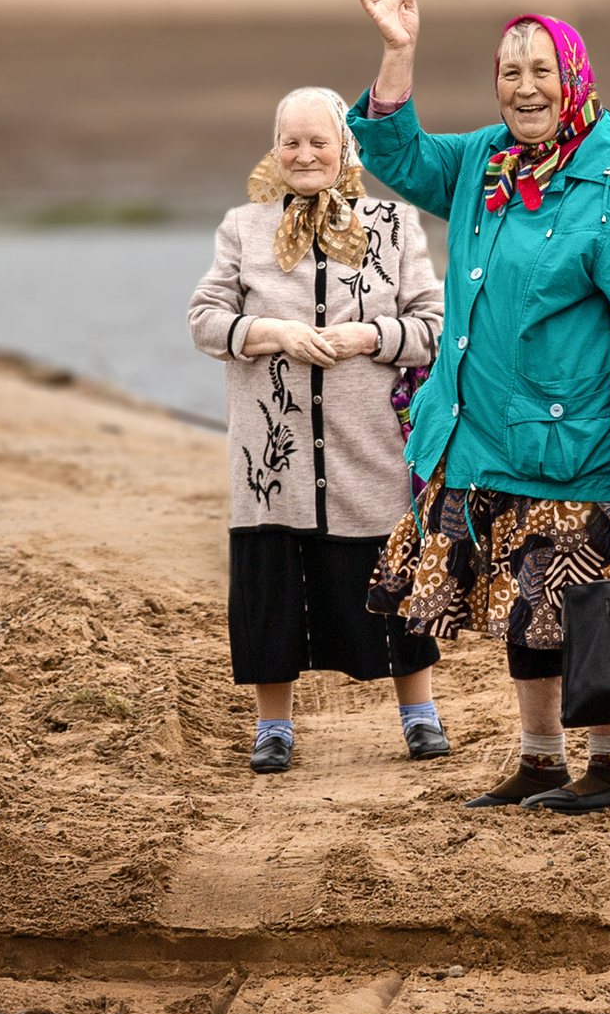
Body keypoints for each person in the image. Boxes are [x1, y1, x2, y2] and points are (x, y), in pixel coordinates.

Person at [349, 0, 610, 815]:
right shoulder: (487, 160)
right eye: (510, 72)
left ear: (573, 78)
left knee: (586, 605)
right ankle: (541, 763)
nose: (525, 88)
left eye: (542, 71)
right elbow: (395, 152)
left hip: (575, 441)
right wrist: (399, 51)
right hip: (484, 434)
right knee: (523, 609)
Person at [188, 86, 448, 777]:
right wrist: (272, 334)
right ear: (275, 150)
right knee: (273, 590)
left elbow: (435, 326)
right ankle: (273, 727)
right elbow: (205, 321)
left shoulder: (395, 224)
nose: (304, 154)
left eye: (319, 142)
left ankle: (419, 715)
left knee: (389, 584)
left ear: (346, 150)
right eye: (291, 142)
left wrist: (369, 334)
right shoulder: (242, 227)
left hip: (372, 450)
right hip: (273, 462)